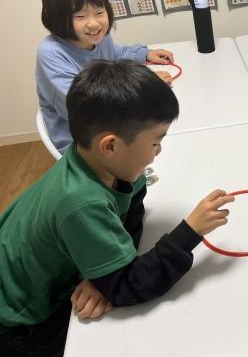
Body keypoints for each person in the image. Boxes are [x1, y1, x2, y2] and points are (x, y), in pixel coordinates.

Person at [0, 60, 234, 356]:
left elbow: (130, 214)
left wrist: (106, 273)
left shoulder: (111, 165)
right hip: (20, 321)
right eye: (155, 142)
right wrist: (189, 232)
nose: (159, 151)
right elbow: (128, 288)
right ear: (110, 146)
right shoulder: (81, 202)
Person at [36, 0, 175, 154]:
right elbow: (87, 108)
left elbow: (115, 55)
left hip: (112, 127)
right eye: (81, 16)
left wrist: (144, 54)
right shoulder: (51, 53)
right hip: (82, 144)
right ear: (58, 18)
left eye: (99, 12)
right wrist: (145, 86)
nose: (93, 23)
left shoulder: (99, 38)